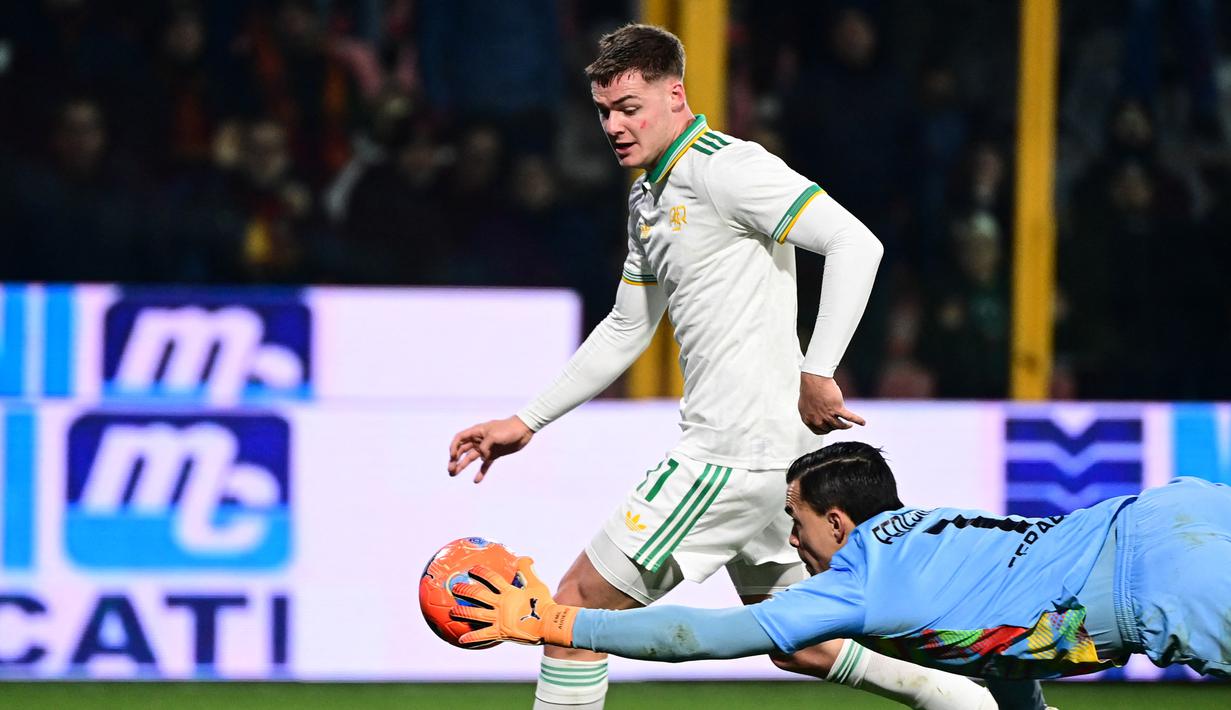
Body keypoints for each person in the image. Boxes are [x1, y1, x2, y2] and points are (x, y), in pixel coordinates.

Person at [447, 23, 998, 710]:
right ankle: (967, 700)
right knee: (801, 642)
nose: (614, 127)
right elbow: (627, 326)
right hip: (775, 461)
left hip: (730, 455)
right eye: (604, 112)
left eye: (629, 108)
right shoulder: (648, 197)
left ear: (675, 96)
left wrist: (818, 369)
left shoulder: (728, 168)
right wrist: (526, 421)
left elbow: (855, 243)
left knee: (572, 611)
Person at [451, 442, 1231, 709]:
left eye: (794, 520)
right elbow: (1004, 645)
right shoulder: (931, 528)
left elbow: (701, 635)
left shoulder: (860, 582)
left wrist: (556, 622)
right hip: (1170, 510)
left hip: (1166, 584)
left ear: (836, 521)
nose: (790, 540)